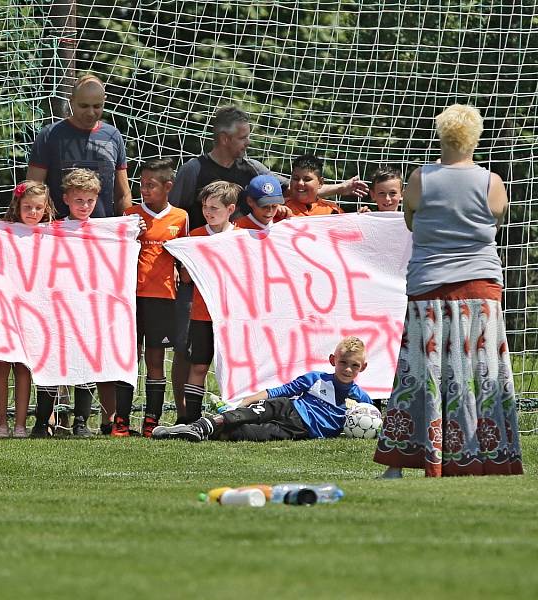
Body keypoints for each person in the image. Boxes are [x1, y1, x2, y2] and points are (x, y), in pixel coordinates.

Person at [169, 107, 367, 420]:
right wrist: (184, 262)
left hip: (242, 291)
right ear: (224, 137)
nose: (248, 143)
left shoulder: (253, 170)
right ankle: (183, 413)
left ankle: (242, 405)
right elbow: (175, 217)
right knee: (189, 351)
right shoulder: (194, 170)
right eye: (243, 137)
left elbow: (289, 191)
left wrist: (339, 190)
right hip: (198, 280)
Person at [374, 104, 523, 478]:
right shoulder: (492, 182)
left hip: (429, 288)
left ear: (441, 135)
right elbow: (495, 221)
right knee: (484, 374)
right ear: (474, 137)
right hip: (481, 289)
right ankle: (490, 458)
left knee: (418, 375)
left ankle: (400, 465)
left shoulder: (420, 179)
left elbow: (410, 222)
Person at [152, 337, 372, 442]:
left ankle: (185, 434)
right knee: (244, 414)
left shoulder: (362, 401)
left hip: (299, 431)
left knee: (245, 434)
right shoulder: (315, 379)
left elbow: (372, 424)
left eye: (354, 365)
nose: (348, 369)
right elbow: (281, 391)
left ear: (362, 367)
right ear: (333, 360)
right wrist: (250, 399)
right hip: (287, 408)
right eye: (344, 363)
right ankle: (200, 426)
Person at [0, 181, 56, 438]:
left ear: (46, 208)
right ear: (17, 205)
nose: (33, 212)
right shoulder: (2, 230)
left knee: (23, 367)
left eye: (38, 207)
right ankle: (1, 424)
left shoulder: (52, 233)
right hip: (2, 308)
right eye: (28, 206)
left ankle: (20, 424)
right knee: (1, 365)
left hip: (33, 310)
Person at [114, 159, 189, 437]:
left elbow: (185, 259)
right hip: (131, 298)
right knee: (129, 358)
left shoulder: (180, 217)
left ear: (168, 186)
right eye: (142, 184)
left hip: (164, 299)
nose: (144, 190)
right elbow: (116, 254)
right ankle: (121, 421)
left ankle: (151, 421)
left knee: (155, 361)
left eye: (151, 185)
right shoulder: (130, 215)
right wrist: (132, 238)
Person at [30, 168, 103, 438]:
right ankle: (41, 422)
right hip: (56, 309)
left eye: (90, 201)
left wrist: (134, 229)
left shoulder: (106, 231)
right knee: (52, 362)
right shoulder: (52, 229)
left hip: (89, 310)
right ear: (66, 200)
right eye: (79, 201)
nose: (84, 206)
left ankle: (81, 422)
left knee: (86, 361)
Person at [179, 181, 243, 424]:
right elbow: (185, 278)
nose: (208, 212)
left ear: (230, 209)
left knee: (234, 368)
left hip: (232, 316)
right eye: (205, 207)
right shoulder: (195, 235)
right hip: (202, 314)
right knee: (198, 366)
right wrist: (188, 262)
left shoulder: (241, 237)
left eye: (214, 208)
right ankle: (192, 419)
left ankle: (234, 417)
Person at [26, 73, 131, 219]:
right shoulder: (50, 135)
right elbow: (32, 189)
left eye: (97, 106)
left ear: (104, 101)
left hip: (102, 231)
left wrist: (127, 226)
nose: (90, 112)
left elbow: (123, 194)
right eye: (84, 106)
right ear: (71, 101)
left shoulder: (113, 135)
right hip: (58, 231)